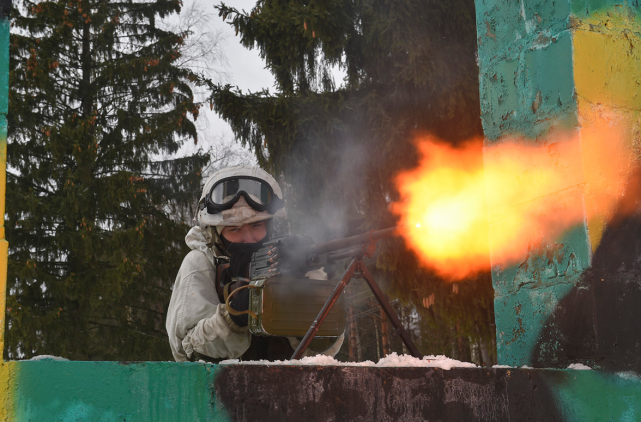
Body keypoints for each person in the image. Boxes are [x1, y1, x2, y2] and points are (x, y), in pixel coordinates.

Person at [166, 165, 344, 362]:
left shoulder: (285, 259)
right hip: (220, 388)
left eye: (256, 226)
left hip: (290, 386)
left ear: (269, 225)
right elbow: (187, 350)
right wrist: (235, 316)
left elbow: (323, 349)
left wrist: (306, 286)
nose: (248, 238)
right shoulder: (201, 262)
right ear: (215, 232)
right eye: (234, 229)